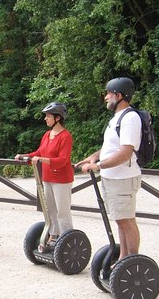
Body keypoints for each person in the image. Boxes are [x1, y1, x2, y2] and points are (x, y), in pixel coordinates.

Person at [76, 77, 142, 262]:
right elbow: (112, 147)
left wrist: (97, 166)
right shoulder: (117, 118)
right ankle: (123, 257)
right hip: (113, 177)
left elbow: (125, 153)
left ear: (119, 96)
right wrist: (95, 156)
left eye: (108, 94)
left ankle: (133, 262)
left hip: (123, 178)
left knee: (127, 221)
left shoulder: (130, 118)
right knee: (120, 220)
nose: (105, 97)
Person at [15, 102, 74, 250]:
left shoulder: (65, 136)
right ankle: (53, 235)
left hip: (61, 180)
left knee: (63, 211)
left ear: (58, 118)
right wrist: (25, 156)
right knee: (51, 210)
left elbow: (62, 160)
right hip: (47, 178)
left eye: (48, 116)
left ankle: (67, 238)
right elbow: (39, 152)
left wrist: (41, 160)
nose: (45, 119)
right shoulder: (47, 135)